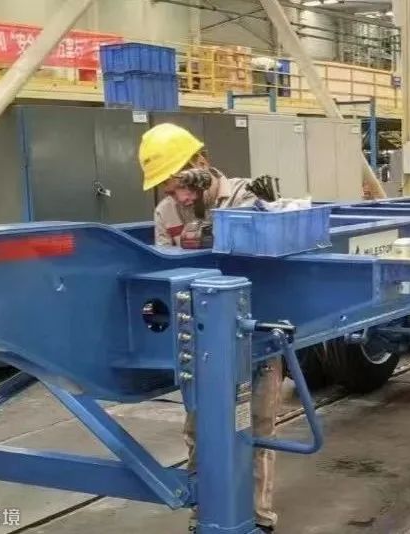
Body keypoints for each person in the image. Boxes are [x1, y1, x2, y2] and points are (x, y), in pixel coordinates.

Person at [138, 122, 282, 533]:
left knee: (256, 428)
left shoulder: (245, 197)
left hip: (254, 334)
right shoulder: (166, 213)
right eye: (169, 190)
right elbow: (163, 273)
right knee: (199, 430)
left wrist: (266, 211)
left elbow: (274, 248)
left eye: (182, 186)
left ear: (200, 164)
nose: (179, 198)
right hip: (202, 341)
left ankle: (258, 517)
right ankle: (206, 512)